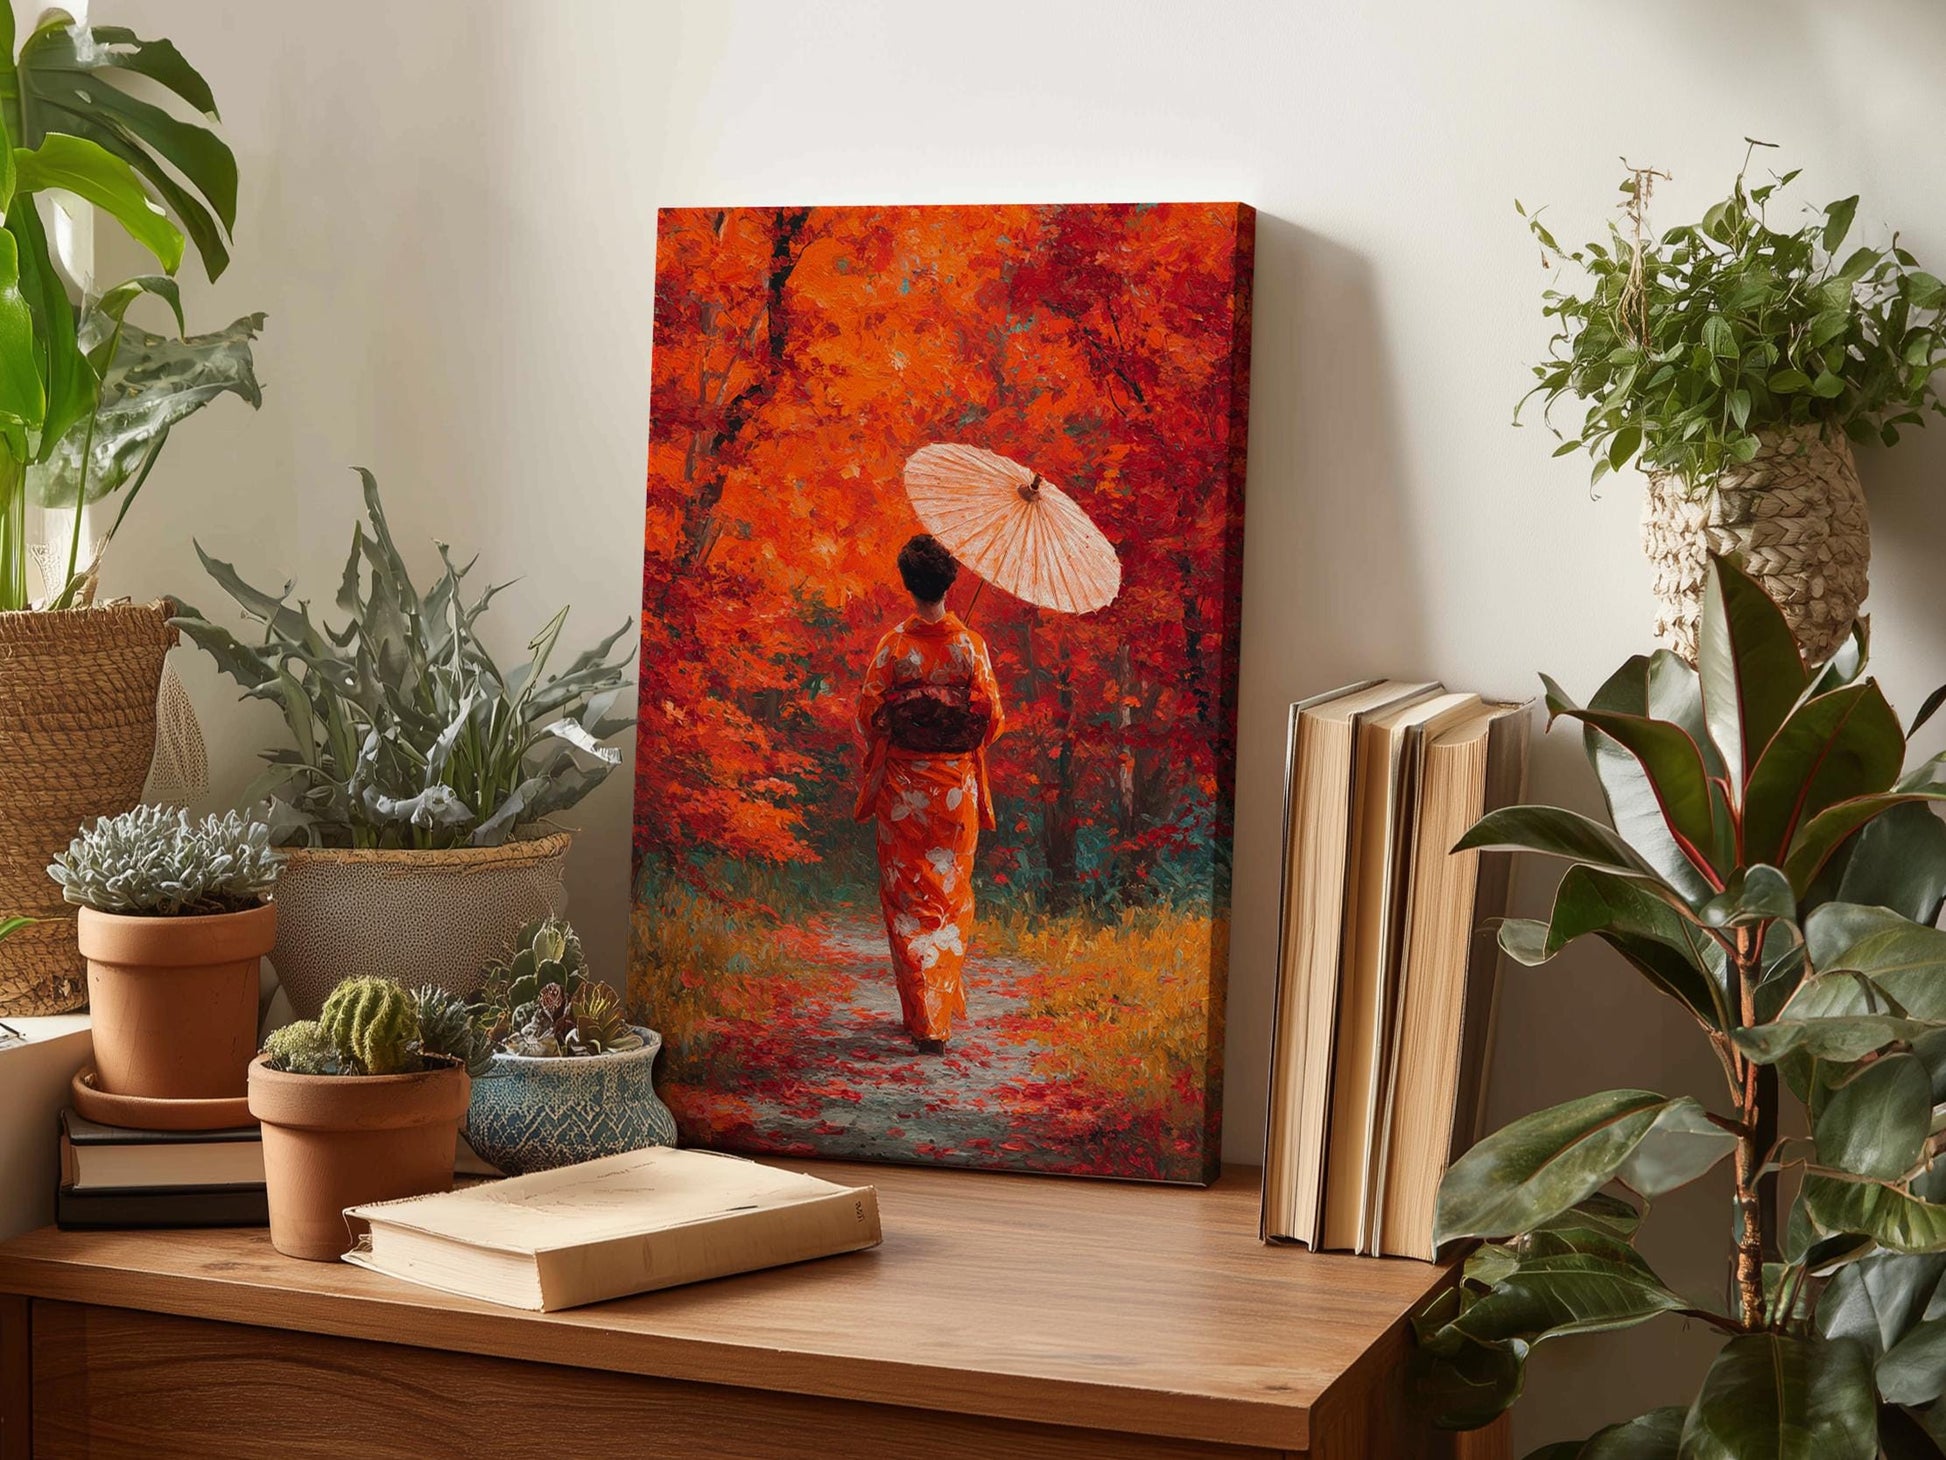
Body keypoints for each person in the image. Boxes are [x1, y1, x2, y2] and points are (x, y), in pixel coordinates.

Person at [853, 534, 1005, 1053]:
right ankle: (935, 1014)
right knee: (949, 896)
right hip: (954, 790)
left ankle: (923, 1016)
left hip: (903, 789)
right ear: (949, 582)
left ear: (907, 583)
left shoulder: (894, 646)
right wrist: (954, 716)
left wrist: (911, 714)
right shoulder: (971, 645)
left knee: (906, 899)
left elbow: (869, 716)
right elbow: (994, 721)